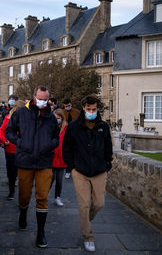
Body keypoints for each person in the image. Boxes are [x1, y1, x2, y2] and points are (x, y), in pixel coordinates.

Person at [6, 85, 59, 248]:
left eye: (46, 99)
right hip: (25, 160)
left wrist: (50, 145)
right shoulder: (21, 113)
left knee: (42, 197)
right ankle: (23, 212)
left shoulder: (50, 117)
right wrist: (20, 143)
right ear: (34, 97)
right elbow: (9, 132)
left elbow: (56, 137)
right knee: (24, 194)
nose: (43, 102)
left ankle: (41, 233)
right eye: (40, 99)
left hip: (44, 162)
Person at [62, 94, 113, 252]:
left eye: (94, 109)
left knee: (99, 203)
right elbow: (67, 148)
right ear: (83, 108)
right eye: (89, 109)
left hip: (99, 170)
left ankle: (87, 219)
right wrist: (72, 167)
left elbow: (108, 147)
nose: (91, 111)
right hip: (80, 172)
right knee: (83, 205)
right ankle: (88, 236)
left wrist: (107, 164)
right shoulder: (73, 127)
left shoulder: (103, 126)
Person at [0, 100, 25, 200]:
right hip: (10, 149)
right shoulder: (8, 118)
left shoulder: (27, 119)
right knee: (11, 172)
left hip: (22, 149)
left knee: (22, 173)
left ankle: (21, 194)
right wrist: (4, 141)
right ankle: (12, 191)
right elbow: (1, 130)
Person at [50, 108, 68, 207]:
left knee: (60, 180)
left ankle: (57, 197)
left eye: (58, 118)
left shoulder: (66, 128)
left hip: (61, 158)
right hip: (52, 157)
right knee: (50, 179)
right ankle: (44, 196)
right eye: (55, 118)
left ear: (62, 118)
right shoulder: (49, 127)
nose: (57, 119)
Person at [62, 98, 80, 179]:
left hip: (75, 134)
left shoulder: (76, 112)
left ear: (71, 104)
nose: (67, 107)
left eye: (68, 106)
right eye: (66, 106)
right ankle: (68, 170)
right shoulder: (62, 112)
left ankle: (75, 168)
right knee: (68, 152)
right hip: (66, 134)